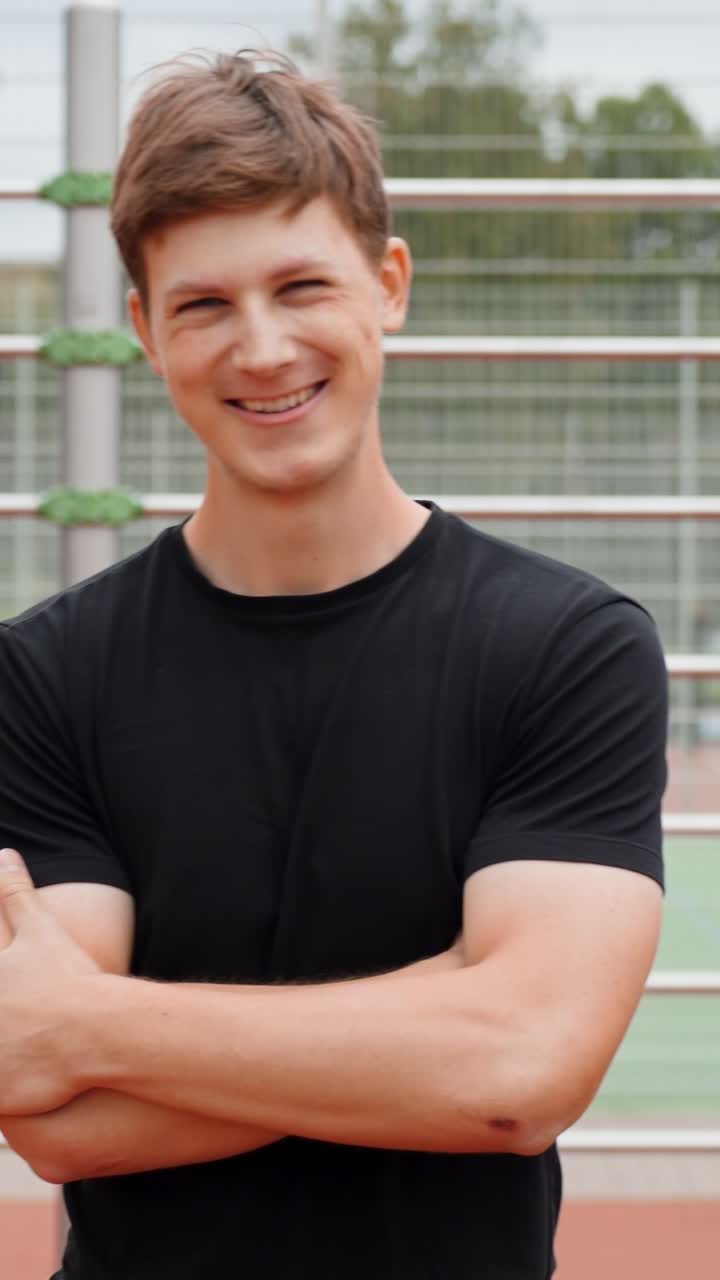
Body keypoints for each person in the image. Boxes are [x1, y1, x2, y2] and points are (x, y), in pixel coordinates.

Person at [0, 50, 666, 1280]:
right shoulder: (43, 675)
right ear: (144, 329)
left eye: (301, 284)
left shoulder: (567, 646)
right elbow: (55, 1116)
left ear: (390, 284)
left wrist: (98, 1019)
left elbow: (520, 1074)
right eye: (203, 304)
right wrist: (438, 1023)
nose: (261, 348)